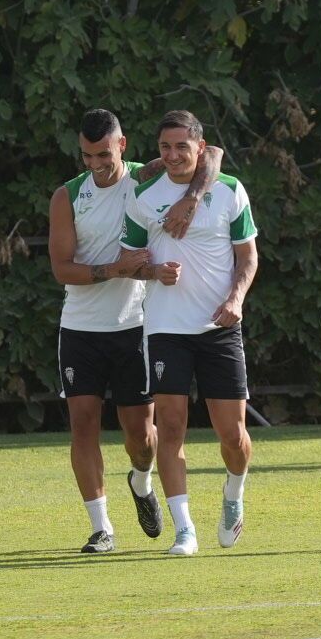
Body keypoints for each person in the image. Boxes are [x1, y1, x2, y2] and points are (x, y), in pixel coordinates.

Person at [47, 108, 223, 554]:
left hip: (135, 327)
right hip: (80, 328)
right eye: (87, 156)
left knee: (142, 438)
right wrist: (114, 268)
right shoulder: (67, 196)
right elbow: (62, 269)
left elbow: (213, 154)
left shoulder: (148, 177)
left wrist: (192, 197)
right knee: (82, 424)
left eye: (104, 155)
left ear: (121, 146)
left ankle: (141, 481)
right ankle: (101, 527)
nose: (96, 165)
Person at [118, 110, 258, 556]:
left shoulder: (229, 189)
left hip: (219, 327)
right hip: (165, 329)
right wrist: (153, 271)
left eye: (182, 146)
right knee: (171, 426)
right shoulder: (143, 195)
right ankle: (184, 529)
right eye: (165, 147)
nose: (174, 155)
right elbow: (128, 260)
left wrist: (236, 300)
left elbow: (248, 257)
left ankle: (233, 494)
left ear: (201, 146)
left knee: (232, 436)